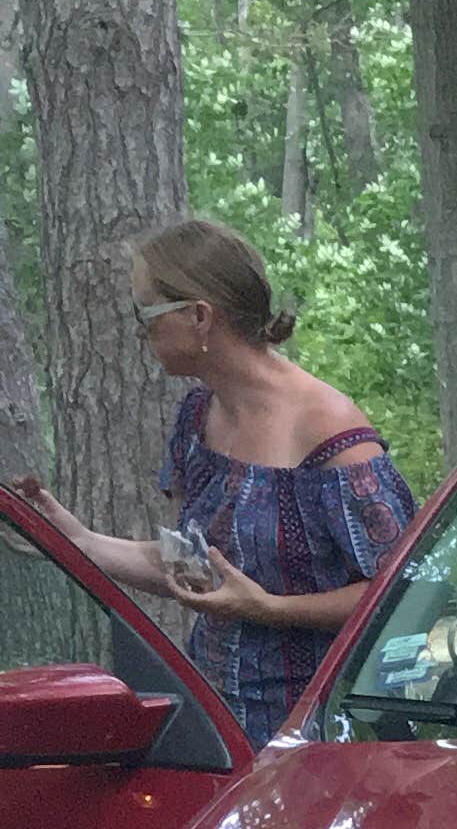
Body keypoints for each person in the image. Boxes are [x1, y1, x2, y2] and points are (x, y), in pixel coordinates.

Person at [117, 217, 414, 730]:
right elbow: (192, 568)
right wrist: (68, 536)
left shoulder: (329, 431)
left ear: (199, 316)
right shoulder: (196, 418)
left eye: (145, 312)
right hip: (215, 727)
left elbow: (402, 592)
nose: (140, 328)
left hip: (317, 736)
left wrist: (272, 609)